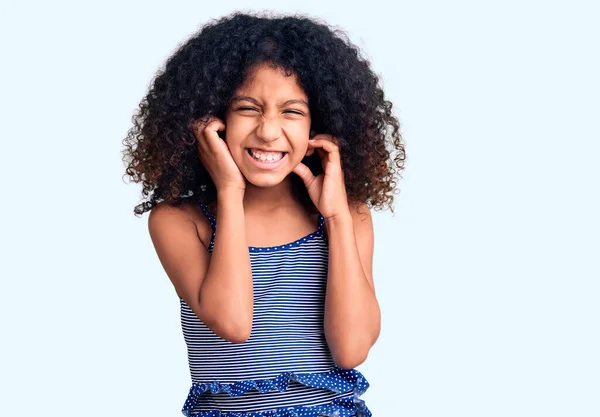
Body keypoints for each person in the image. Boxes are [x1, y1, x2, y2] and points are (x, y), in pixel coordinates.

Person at [122, 10, 405, 417]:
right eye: (248, 108)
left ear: (318, 127)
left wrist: (339, 220)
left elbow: (351, 349)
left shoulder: (348, 216)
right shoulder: (180, 220)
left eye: (292, 112)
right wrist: (230, 192)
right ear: (212, 121)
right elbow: (234, 324)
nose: (269, 131)